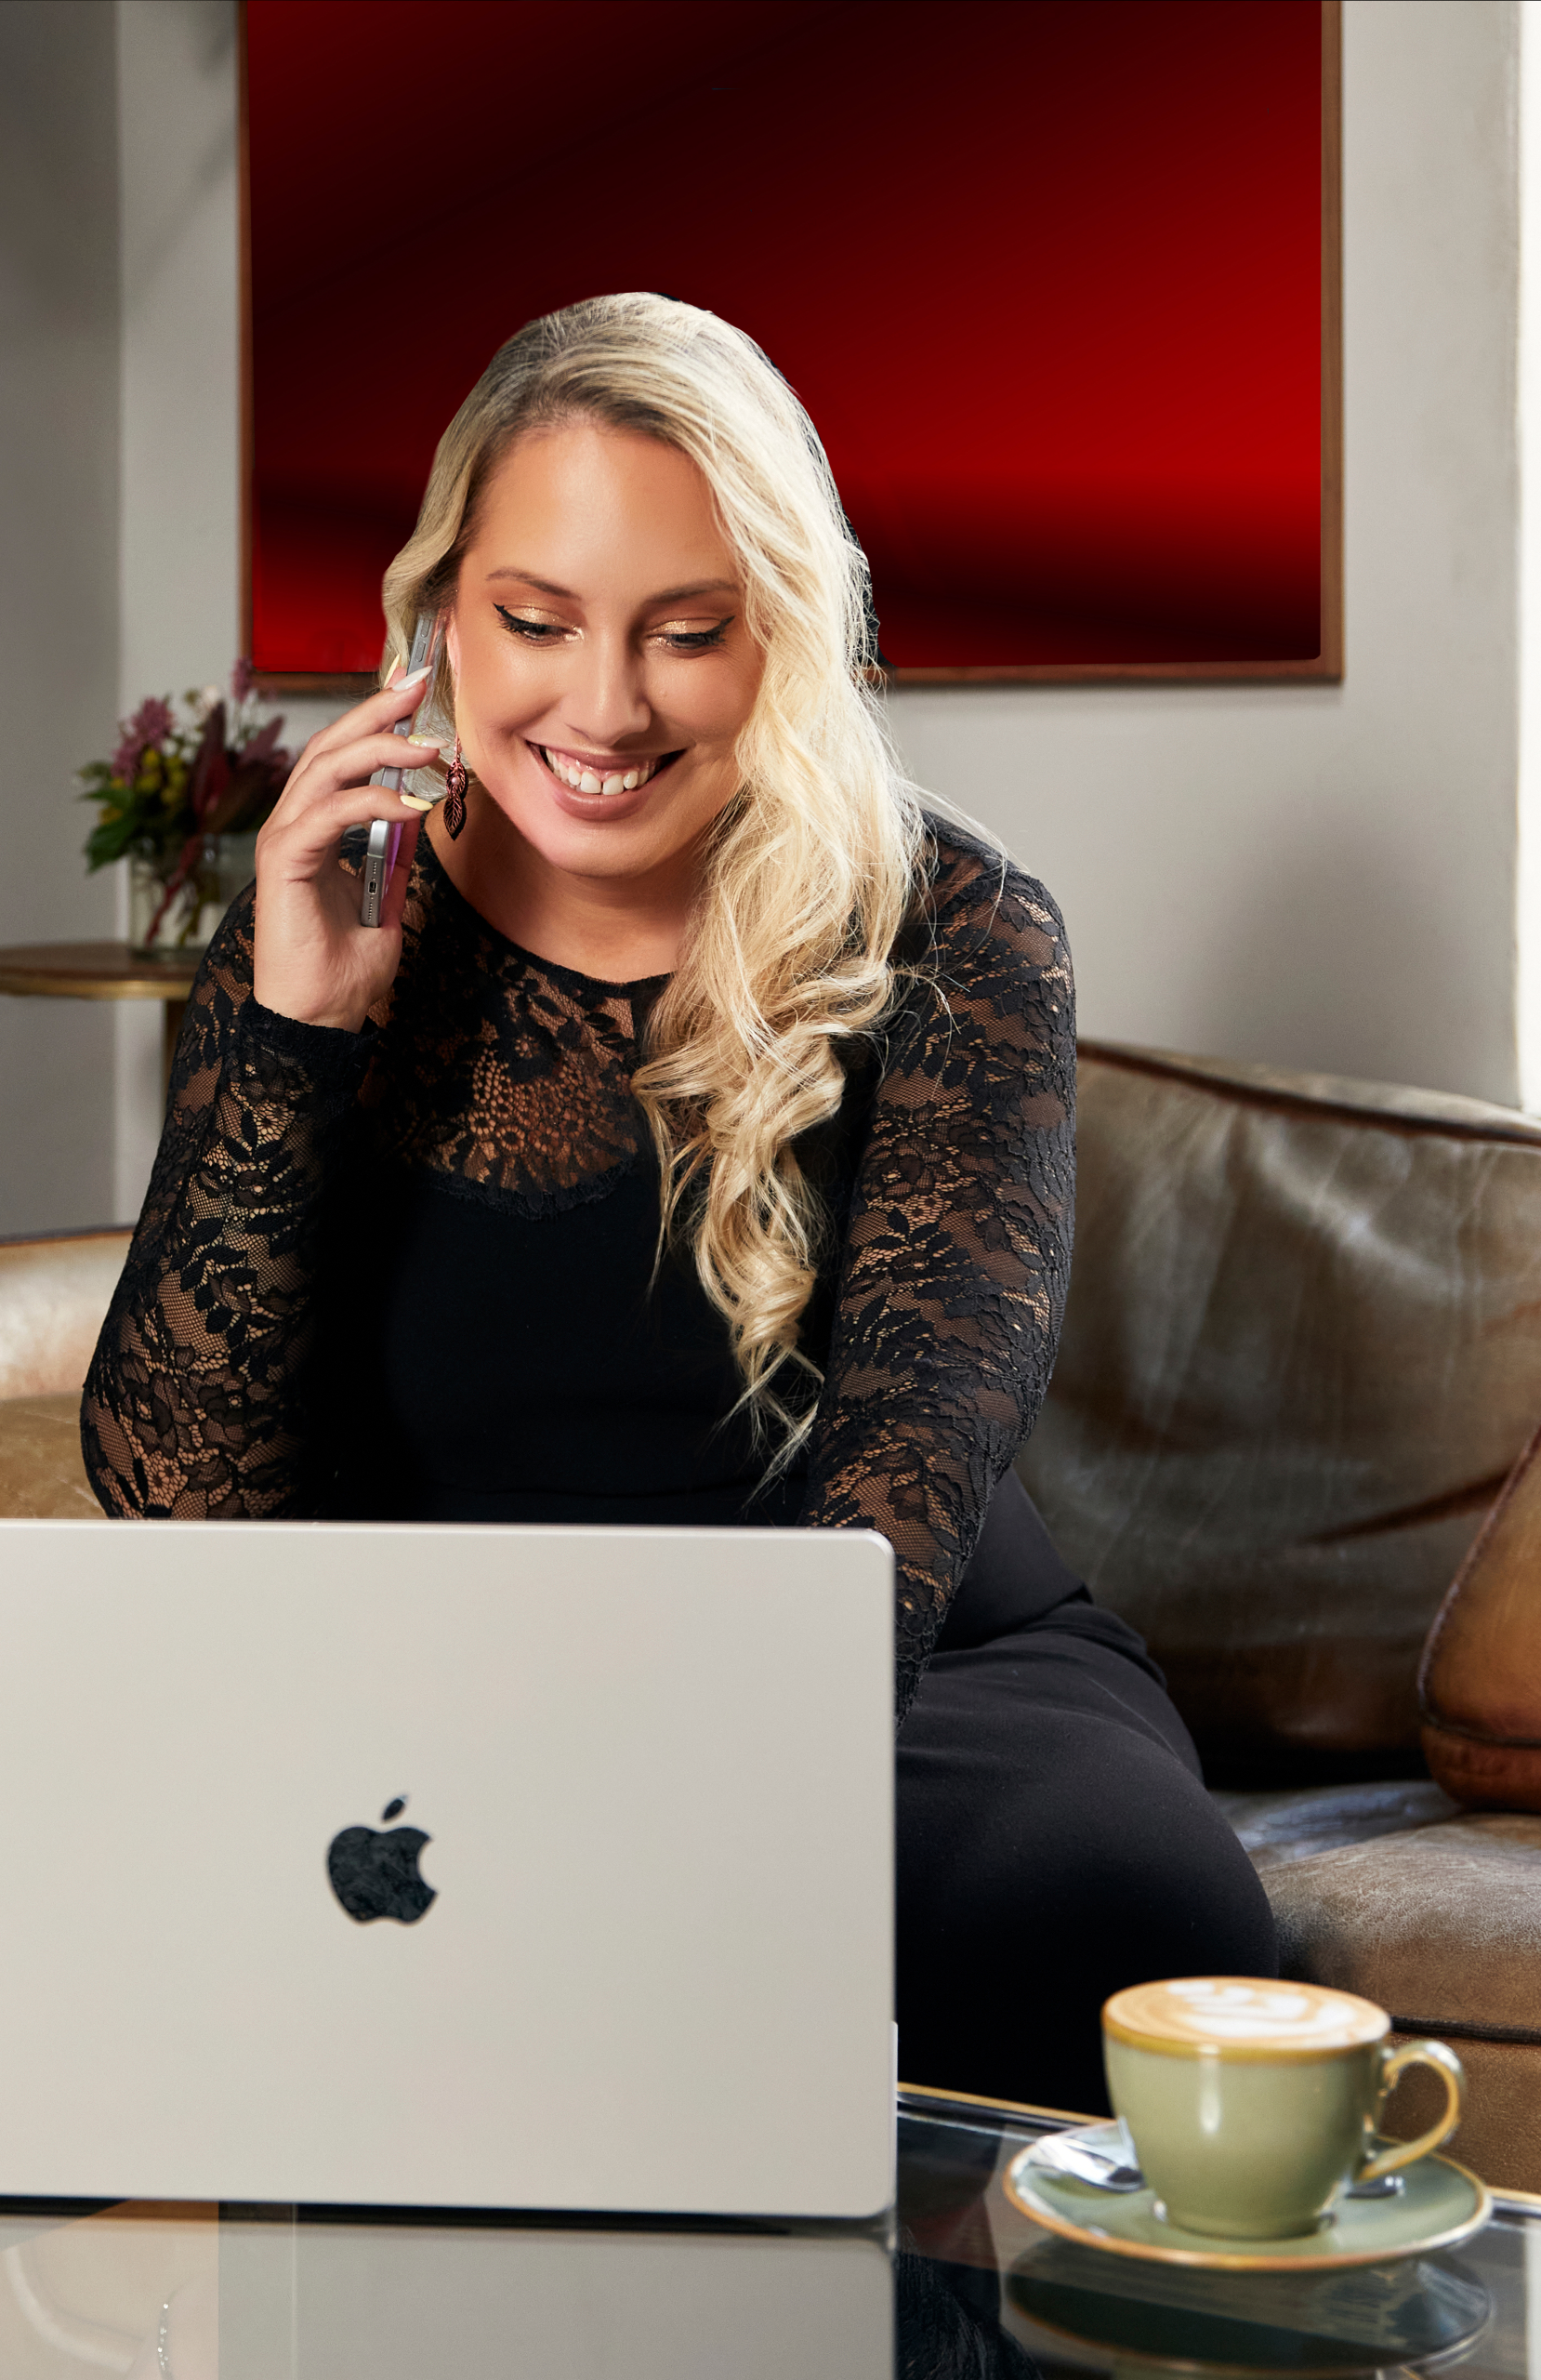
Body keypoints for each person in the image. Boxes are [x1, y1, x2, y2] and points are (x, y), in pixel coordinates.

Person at [82, 293, 1273, 2113]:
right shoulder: (324, 924)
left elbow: (923, 1439)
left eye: (688, 632)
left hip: (891, 1682)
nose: (606, 705)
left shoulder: (960, 928)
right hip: (435, 1694)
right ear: (441, 614)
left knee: (1107, 1907)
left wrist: (676, 1801)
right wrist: (297, 1026)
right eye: (536, 620)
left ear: (782, 633)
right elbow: (175, 1497)